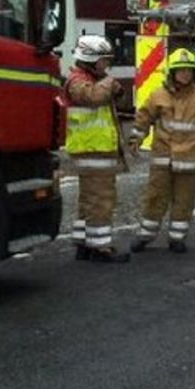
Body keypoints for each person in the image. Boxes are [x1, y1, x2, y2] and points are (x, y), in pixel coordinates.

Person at [127, 48, 195, 253]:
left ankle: (177, 238)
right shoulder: (158, 96)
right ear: (172, 72)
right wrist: (136, 138)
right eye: (180, 70)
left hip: (191, 159)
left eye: (189, 70)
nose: (185, 74)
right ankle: (146, 235)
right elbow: (144, 118)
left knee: (184, 201)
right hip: (163, 159)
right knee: (155, 198)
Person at [64, 36, 131, 263]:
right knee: (102, 200)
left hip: (94, 150)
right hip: (93, 150)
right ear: (89, 59)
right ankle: (100, 247)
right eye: (103, 61)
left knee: (88, 201)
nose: (106, 65)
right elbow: (93, 97)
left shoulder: (91, 79)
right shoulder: (77, 81)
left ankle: (83, 243)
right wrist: (110, 83)